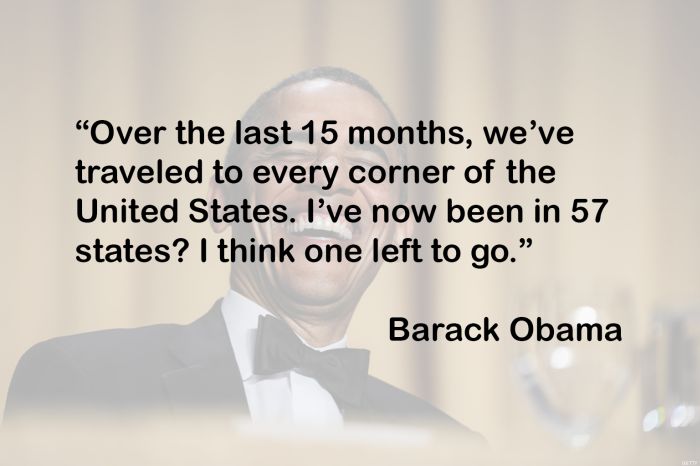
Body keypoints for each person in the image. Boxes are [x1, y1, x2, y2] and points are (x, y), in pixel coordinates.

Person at [4, 67, 477, 435]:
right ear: (225, 201)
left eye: (367, 165)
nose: (330, 183)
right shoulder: (81, 382)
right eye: (291, 156)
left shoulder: (449, 447)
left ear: (397, 225)